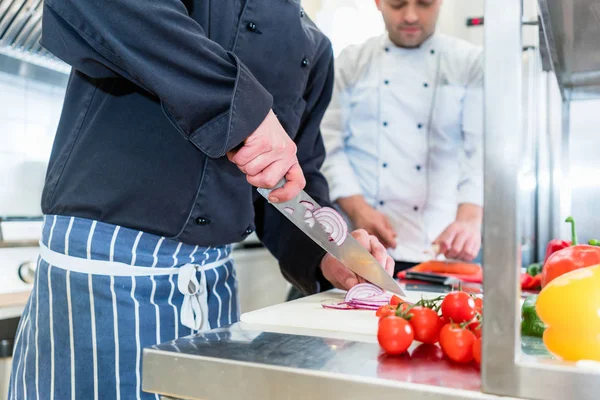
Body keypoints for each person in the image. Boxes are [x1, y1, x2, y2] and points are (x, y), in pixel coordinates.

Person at [8, 1, 394, 399]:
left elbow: (292, 183)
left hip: (215, 290)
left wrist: (326, 251)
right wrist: (246, 113)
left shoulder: (315, 47)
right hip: (108, 277)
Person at [320, 0, 484, 276]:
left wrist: (469, 219)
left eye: (424, 4)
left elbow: (482, 149)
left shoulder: (469, 62)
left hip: (440, 248)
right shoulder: (350, 62)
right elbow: (328, 144)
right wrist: (358, 209)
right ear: (378, 2)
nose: (410, 16)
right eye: (397, 4)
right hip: (363, 247)